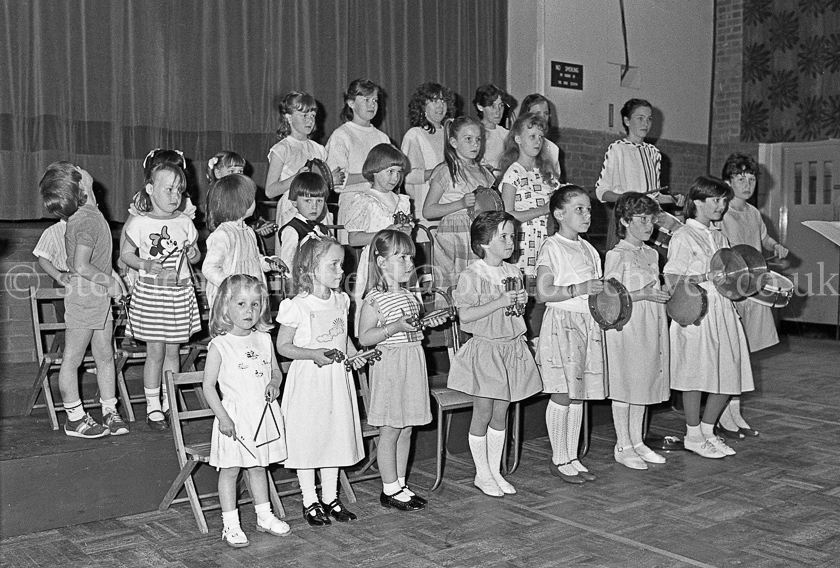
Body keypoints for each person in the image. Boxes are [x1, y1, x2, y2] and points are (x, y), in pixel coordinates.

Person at [448, 211, 542, 497]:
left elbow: (512, 312)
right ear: (484, 242)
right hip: (487, 349)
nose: (510, 241)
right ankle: (481, 473)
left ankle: (494, 470)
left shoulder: (513, 273)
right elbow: (466, 317)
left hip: (510, 347)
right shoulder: (471, 274)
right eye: (503, 236)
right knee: (484, 410)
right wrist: (500, 300)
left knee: (502, 411)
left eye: (512, 236)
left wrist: (519, 303)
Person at [275, 235, 365, 526]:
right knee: (309, 439)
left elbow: (343, 337)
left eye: (343, 264)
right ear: (311, 268)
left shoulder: (341, 299)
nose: (341, 271)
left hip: (336, 381)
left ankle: (330, 497)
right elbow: (283, 346)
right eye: (334, 265)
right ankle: (309, 500)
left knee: (332, 437)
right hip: (309, 381)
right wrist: (312, 353)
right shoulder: (297, 305)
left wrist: (354, 356)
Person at [664, 175, 754, 459]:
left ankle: (707, 430)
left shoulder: (719, 236)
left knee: (729, 373)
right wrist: (705, 276)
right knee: (696, 373)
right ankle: (692, 434)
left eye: (724, 200)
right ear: (697, 202)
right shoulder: (683, 235)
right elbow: (671, 280)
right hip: (697, 311)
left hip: (724, 310)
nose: (721, 205)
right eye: (715, 200)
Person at [357, 230, 447, 511]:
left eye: (411, 257)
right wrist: (395, 327)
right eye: (402, 257)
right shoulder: (375, 298)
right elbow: (364, 337)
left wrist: (431, 321)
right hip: (391, 365)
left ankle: (400, 483)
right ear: (382, 262)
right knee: (391, 429)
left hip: (412, 361)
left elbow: (413, 326)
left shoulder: (410, 295)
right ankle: (389, 489)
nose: (410, 263)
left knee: (407, 426)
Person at [39, 162, 128, 437]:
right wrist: (109, 282)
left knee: (104, 356)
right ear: (81, 185)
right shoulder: (87, 219)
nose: (83, 167)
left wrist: (115, 279)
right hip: (85, 296)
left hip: (97, 296)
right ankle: (75, 418)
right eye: (77, 169)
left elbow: (97, 260)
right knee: (73, 358)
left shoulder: (90, 214)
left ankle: (110, 410)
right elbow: (80, 265)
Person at [203, 274, 289, 547]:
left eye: (254, 304)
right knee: (230, 470)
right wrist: (223, 418)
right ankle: (230, 525)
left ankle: (264, 515)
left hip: (261, 414)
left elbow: (276, 371)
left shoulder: (263, 339)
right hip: (235, 417)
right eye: (241, 304)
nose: (248, 311)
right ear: (225, 307)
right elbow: (208, 387)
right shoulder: (220, 345)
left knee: (258, 466)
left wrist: (275, 383)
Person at [120, 162, 202, 431]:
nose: (175, 196)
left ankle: (170, 399)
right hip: (153, 296)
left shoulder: (184, 222)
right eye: (168, 189)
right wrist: (145, 265)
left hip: (178, 294)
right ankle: (153, 405)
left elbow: (196, 254)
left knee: (173, 350)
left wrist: (193, 255)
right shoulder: (141, 223)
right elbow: (126, 255)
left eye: (179, 190)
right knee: (155, 351)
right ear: (150, 189)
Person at [536, 186, 607, 483]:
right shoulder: (552, 246)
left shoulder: (589, 249)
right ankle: (559, 458)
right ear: (558, 214)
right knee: (564, 393)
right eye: (579, 209)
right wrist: (578, 289)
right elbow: (542, 293)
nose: (586, 214)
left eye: (588, 209)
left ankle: (572, 456)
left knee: (580, 395)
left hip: (587, 324)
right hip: (562, 324)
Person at [717, 153, 788, 439]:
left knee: (745, 354)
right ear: (727, 182)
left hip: (753, 289)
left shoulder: (754, 213)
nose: (747, 184)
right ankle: (723, 414)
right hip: (732, 289)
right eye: (740, 178)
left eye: (751, 178)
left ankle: (734, 411)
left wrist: (776, 245)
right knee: (731, 352)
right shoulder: (721, 212)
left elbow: (763, 239)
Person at [604, 193, 671, 469]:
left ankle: (638, 441)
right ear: (624, 220)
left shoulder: (652, 253)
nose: (648, 226)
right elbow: (608, 297)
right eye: (642, 219)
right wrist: (642, 295)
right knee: (626, 383)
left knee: (643, 381)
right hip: (627, 324)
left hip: (650, 323)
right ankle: (623, 444)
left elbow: (655, 287)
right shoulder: (616, 254)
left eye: (652, 220)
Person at [423, 116, 496, 292]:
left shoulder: (483, 172)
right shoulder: (446, 170)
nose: (475, 144)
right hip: (454, 236)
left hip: (477, 233)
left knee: (478, 284)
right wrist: (460, 203)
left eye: (478, 139)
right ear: (454, 142)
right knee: (454, 285)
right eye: (468, 139)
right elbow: (428, 210)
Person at [343, 143, 413, 327]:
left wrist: (406, 233)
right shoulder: (365, 200)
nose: (395, 177)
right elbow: (354, 238)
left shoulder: (402, 201)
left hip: (399, 261)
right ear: (374, 170)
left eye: (398, 172)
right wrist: (385, 233)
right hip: (376, 263)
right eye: (390, 171)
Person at [265, 92, 343, 251]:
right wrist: (297, 178)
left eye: (313, 115)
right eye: (304, 115)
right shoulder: (282, 149)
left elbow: (322, 184)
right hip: (292, 208)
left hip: (317, 209)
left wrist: (329, 181)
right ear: (288, 117)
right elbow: (270, 191)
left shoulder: (319, 149)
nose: (310, 120)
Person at [595, 99, 671, 251]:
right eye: (640, 118)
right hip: (627, 220)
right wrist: (628, 199)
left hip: (650, 220)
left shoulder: (654, 153)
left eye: (649, 119)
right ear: (627, 120)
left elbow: (655, 195)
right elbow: (601, 192)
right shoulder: (617, 149)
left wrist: (674, 199)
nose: (646, 124)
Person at [203, 174, 285, 313]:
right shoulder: (223, 234)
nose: (255, 202)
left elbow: (256, 260)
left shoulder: (248, 232)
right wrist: (231, 285)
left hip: (252, 296)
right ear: (240, 202)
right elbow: (209, 268)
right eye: (252, 198)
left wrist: (269, 262)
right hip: (232, 300)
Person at [120, 148, 194, 291]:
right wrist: (123, 261)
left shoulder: (184, 204)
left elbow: (187, 237)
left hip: (177, 271)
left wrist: (191, 251)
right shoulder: (142, 203)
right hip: (147, 261)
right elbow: (128, 230)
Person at [326, 79, 390, 243]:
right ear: (351, 103)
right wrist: (371, 175)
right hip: (353, 206)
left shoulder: (382, 137)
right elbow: (338, 180)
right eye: (366, 100)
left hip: (381, 206)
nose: (372, 105)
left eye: (375, 100)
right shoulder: (342, 135)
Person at [498, 112, 560, 281]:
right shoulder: (514, 173)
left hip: (547, 237)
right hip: (525, 242)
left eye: (540, 136)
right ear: (518, 139)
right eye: (532, 136)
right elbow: (508, 215)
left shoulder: (546, 171)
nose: (538, 141)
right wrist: (543, 209)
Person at [401, 82, 453, 229]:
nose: (440, 106)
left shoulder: (451, 133)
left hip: (451, 211)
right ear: (422, 106)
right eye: (434, 101)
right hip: (425, 212)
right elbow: (407, 175)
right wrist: (441, 172)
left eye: (443, 101)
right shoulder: (415, 135)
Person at [278, 172, 329, 272]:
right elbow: (288, 264)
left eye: (319, 201)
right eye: (308, 201)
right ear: (294, 202)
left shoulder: (322, 229)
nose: (314, 206)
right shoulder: (292, 230)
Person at [519, 93, 562, 178]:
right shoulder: (516, 143)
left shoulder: (552, 148)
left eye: (546, 113)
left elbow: (555, 179)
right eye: (537, 113)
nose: (543, 118)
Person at [473, 84, 511, 175]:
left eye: (501, 106)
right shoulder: (474, 132)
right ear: (480, 107)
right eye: (492, 106)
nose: (498, 111)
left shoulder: (507, 134)